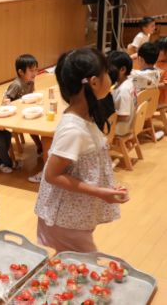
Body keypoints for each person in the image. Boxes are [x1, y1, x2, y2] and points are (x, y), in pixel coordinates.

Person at [34, 48, 129, 253]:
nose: (110, 78)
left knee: (71, 268)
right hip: (64, 221)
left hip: (74, 215)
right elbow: (52, 175)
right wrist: (100, 192)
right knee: (84, 268)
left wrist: (105, 187)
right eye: (106, 74)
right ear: (94, 82)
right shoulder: (73, 129)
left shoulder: (85, 117)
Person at [4, 54, 43, 182]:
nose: (35, 73)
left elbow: (31, 95)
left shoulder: (30, 82)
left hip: (25, 110)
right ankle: (40, 146)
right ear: (21, 72)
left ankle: (41, 146)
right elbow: (6, 100)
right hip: (14, 114)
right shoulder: (16, 85)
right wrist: (9, 103)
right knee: (32, 125)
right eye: (31, 70)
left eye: (36, 70)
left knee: (38, 119)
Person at [108, 51, 136, 136]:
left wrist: (107, 119)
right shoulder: (129, 82)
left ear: (122, 70)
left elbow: (124, 116)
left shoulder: (123, 90)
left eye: (110, 69)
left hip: (121, 128)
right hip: (128, 124)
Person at [156, 37, 167, 106]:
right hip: (153, 97)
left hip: (162, 101)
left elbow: (165, 85)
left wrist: (149, 86)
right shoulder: (156, 61)